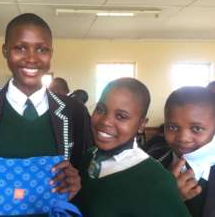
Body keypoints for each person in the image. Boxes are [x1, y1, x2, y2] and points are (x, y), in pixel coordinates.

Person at [0, 13, 92, 216]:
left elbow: (85, 177)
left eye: (41, 49)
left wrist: (78, 185)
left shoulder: (74, 112)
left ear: (51, 53)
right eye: (20, 48)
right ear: (5, 50)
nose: (31, 58)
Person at [73, 77, 191, 217]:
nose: (105, 121)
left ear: (142, 124)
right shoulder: (89, 156)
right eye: (100, 109)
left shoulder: (156, 180)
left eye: (121, 116)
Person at [162, 86, 215, 217]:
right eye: (173, 127)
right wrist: (167, 199)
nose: (183, 138)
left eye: (196, 128)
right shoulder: (153, 162)